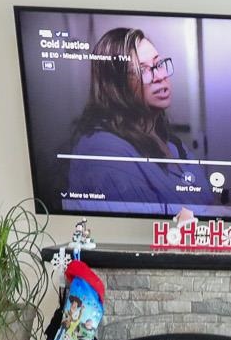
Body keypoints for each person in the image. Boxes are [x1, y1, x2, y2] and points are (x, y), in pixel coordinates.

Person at [63, 27, 206, 213]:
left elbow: (203, 202)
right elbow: (141, 227)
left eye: (158, 64)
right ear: (116, 85)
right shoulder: (104, 150)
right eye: (142, 70)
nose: (160, 76)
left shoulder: (168, 141)